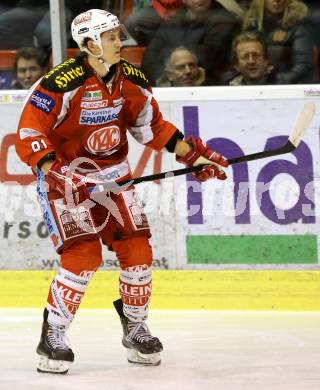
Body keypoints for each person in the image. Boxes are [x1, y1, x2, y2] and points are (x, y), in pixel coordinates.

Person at [15, 9, 228, 374]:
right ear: (89, 44)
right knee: (83, 256)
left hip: (115, 179)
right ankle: (53, 335)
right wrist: (60, 174)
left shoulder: (132, 79)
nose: (120, 41)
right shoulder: (60, 83)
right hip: (66, 182)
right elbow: (29, 133)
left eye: (118, 34)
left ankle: (135, 327)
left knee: (138, 249)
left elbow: (152, 128)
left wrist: (193, 154)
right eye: (111, 36)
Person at [141, 0, 243, 85]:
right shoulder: (173, 21)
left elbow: (208, 57)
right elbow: (150, 58)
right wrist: (167, 79)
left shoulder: (225, 20)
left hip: (207, 86)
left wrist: (169, 57)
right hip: (172, 85)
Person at [242, 0, 314, 83]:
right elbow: (239, 60)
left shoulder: (298, 25)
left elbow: (304, 64)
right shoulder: (251, 25)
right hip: (253, 85)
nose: (277, 0)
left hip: (286, 85)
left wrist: (277, 81)